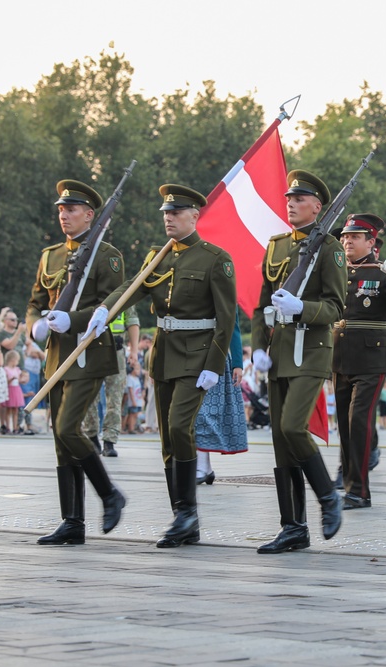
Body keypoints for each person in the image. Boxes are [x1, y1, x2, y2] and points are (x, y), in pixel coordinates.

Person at [94, 183, 236, 547]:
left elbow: (226, 318)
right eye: (166, 214)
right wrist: (103, 310)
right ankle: (183, 518)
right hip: (165, 355)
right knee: (168, 440)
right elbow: (131, 288)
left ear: (194, 216)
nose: (169, 219)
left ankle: (187, 512)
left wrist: (215, 363)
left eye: (175, 213)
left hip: (197, 357)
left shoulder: (214, 258)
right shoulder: (157, 257)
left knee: (179, 427)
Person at [28, 179, 127, 546]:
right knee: (59, 438)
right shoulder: (50, 255)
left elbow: (112, 302)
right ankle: (72, 521)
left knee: (70, 429)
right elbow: (36, 300)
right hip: (56, 356)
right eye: (60, 209)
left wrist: (76, 319)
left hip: (89, 354)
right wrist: (35, 325)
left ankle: (109, 493)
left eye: (70, 210)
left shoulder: (108, 255)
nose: (63, 215)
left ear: (89, 214)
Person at [251, 170, 344, 553]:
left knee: (292, 427)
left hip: (311, 351)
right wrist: (259, 346)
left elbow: (337, 307)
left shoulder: (330, 248)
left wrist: (301, 308)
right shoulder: (275, 247)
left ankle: (327, 497)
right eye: (289, 198)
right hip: (279, 354)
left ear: (317, 207)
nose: (290, 203)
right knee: (279, 440)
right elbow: (260, 305)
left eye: (300, 199)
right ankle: (293, 527)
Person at [332, 214, 386, 508]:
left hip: (370, 358)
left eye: (354, 237)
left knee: (358, 422)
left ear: (371, 242)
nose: (347, 241)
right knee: (343, 423)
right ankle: (346, 476)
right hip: (339, 356)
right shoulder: (336, 272)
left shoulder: (382, 273)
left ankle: (359, 491)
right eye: (344, 237)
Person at [194, 307, 249, 485]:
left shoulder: (223, 283)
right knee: (194, 413)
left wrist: (238, 363)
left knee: (203, 413)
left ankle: (202, 467)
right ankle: (205, 467)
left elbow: (233, 325)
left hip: (215, 357)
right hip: (192, 355)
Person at [82, 305, 140, 457]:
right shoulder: (91, 291)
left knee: (115, 398)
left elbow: (132, 322)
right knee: (90, 397)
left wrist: (134, 351)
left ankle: (109, 441)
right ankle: (92, 437)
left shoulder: (124, 295)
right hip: (92, 349)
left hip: (116, 350)